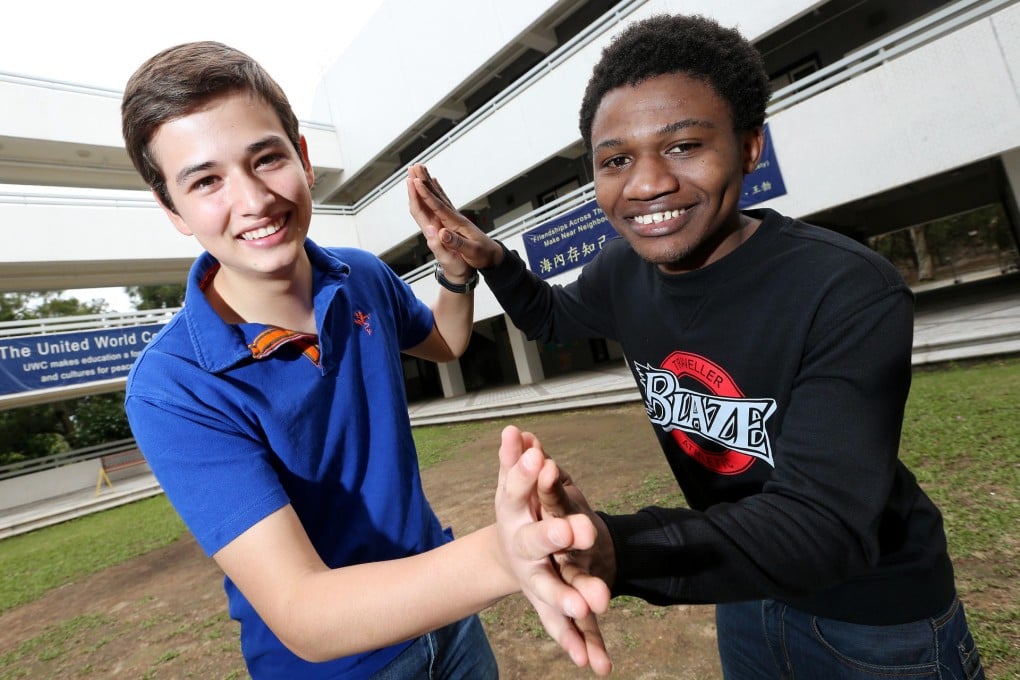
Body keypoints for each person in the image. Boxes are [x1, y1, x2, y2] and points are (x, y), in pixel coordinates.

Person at [409, 13, 986, 680]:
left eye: (683, 146)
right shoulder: (623, 272)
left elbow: (821, 525)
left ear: (749, 149)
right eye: (616, 159)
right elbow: (549, 317)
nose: (647, 182)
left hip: (878, 621)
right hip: (745, 591)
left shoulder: (844, 289)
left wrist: (615, 547)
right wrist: (491, 258)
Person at [120, 41, 610, 679]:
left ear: (302, 157)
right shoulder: (171, 386)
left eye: (265, 158)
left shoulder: (363, 277)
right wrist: (502, 558)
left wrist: (456, 274)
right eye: (206, 180)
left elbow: (447, 343)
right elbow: (304, 613)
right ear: (172, 209)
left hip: (448, 620)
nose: (253, 200)